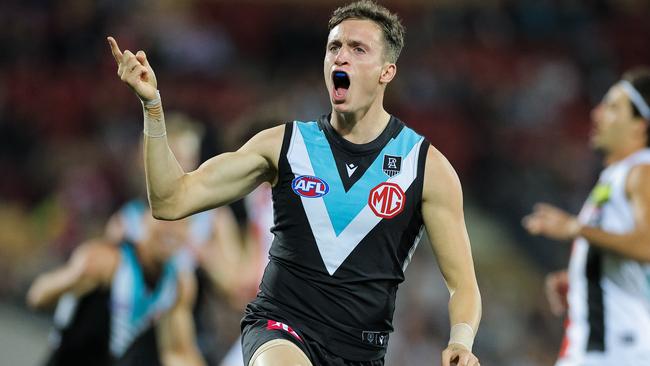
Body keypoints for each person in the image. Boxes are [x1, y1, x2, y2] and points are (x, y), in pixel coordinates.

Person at [107, 1, 482, 365]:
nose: (341, 57)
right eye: (334, 46)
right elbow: (171, 200)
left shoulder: (425, 167)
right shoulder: (285, 145)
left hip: (361, 353)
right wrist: (153, 108)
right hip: (279, 328)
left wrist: (460, 342)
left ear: (386, 71)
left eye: (357, 48)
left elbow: (463, 285)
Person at [523, 68, 650, 366]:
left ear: (640, 125)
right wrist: (583, 282)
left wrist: (574, 228)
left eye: (613, 107)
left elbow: (647, 246)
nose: (597, 113)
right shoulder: (616, 177)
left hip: (616, 351)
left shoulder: (641, 172)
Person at [27, 213, 206, 366]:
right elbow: (37, 297)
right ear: (144, 219)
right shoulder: (110, 259)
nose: (172, 230)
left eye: (182, 224)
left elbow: (177, 351)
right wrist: (74, 278)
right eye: (165, 220)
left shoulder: (178, 284)